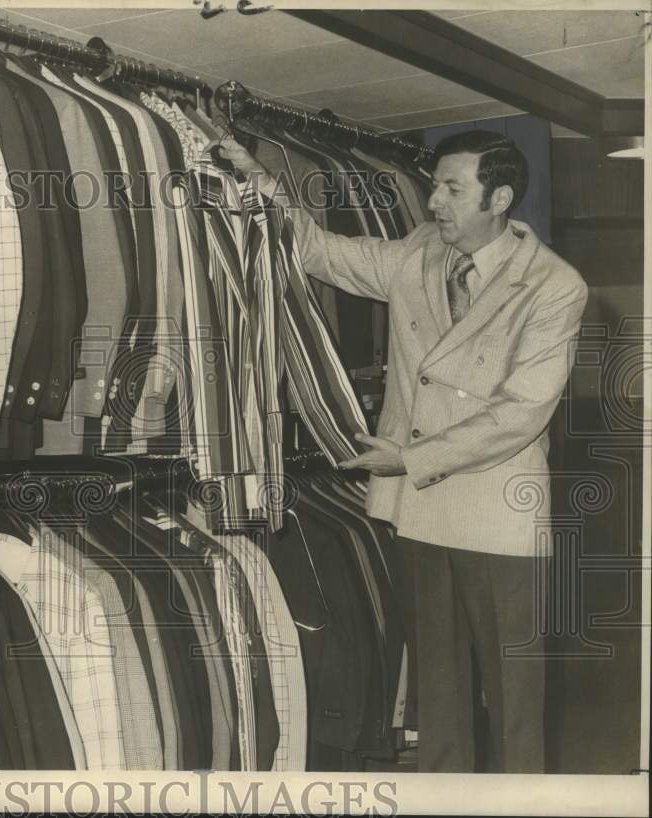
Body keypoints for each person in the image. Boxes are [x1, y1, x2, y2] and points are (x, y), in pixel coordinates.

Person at [218, 130, 588, 773]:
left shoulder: (555, 287)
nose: (434, 202)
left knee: (514, 689)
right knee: (437, 688)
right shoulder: (420, 252)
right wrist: (259, 180)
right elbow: (319, 251)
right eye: (434, 186)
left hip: (496, 508)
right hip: (419, 507)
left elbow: (521, 412)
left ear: (499, 197)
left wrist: (410, 460)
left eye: (452, 189)